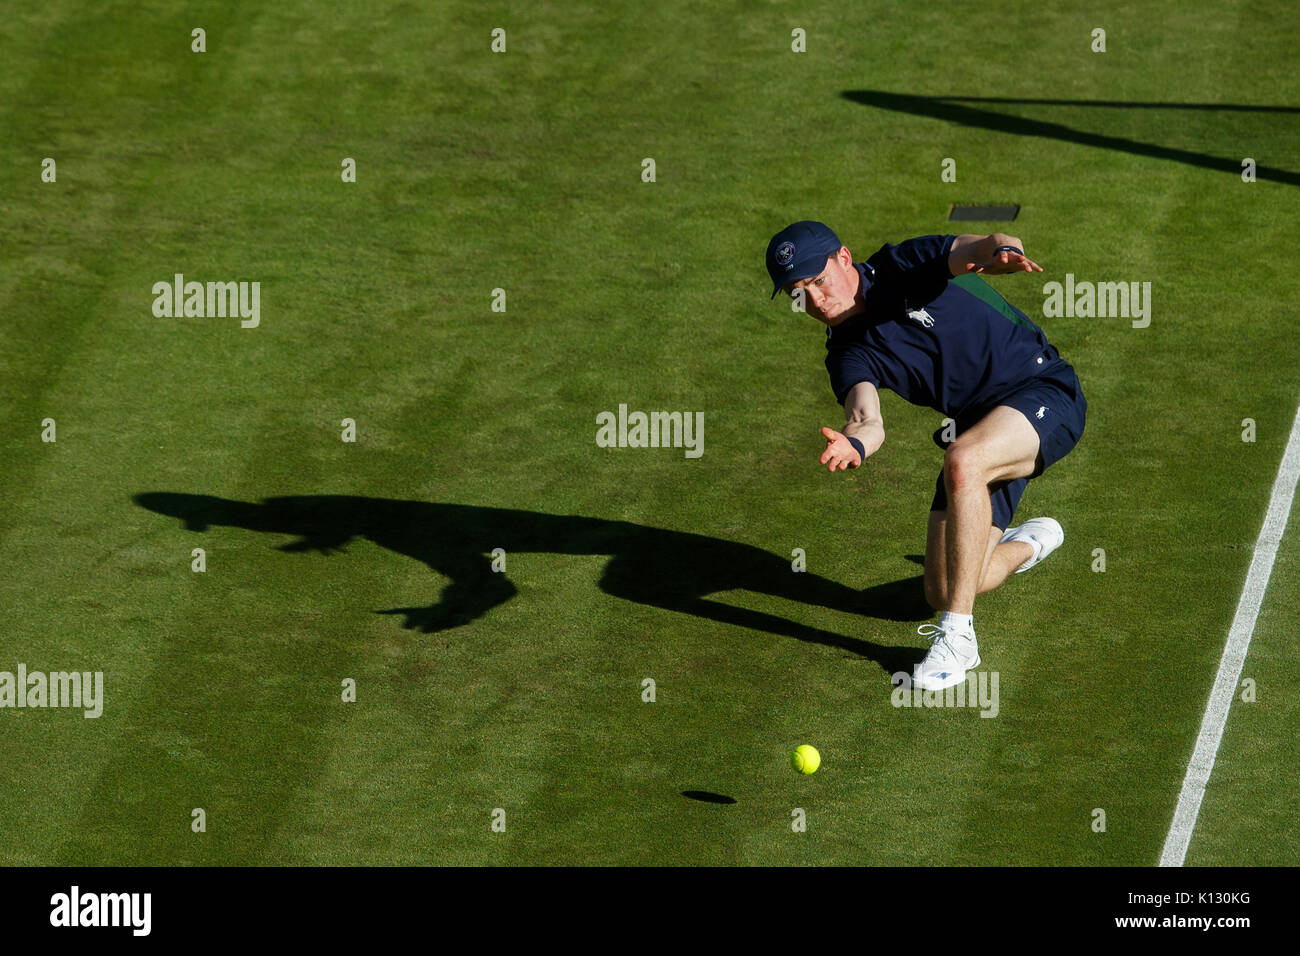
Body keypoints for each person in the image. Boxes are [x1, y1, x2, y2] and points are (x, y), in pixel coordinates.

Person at [765, 220, 1086, 690]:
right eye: (799, 292)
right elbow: (866, 418)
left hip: (1043, 390)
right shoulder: (846, 354)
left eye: (818, 281)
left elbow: (979, 246)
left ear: (844, 258)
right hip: (982, 428)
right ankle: (1033, 542)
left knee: (962, 460)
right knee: (943, 588)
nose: (815, 300)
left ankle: (958, 640)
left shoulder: (903, 266)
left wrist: (1005, 251)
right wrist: (854, 442)